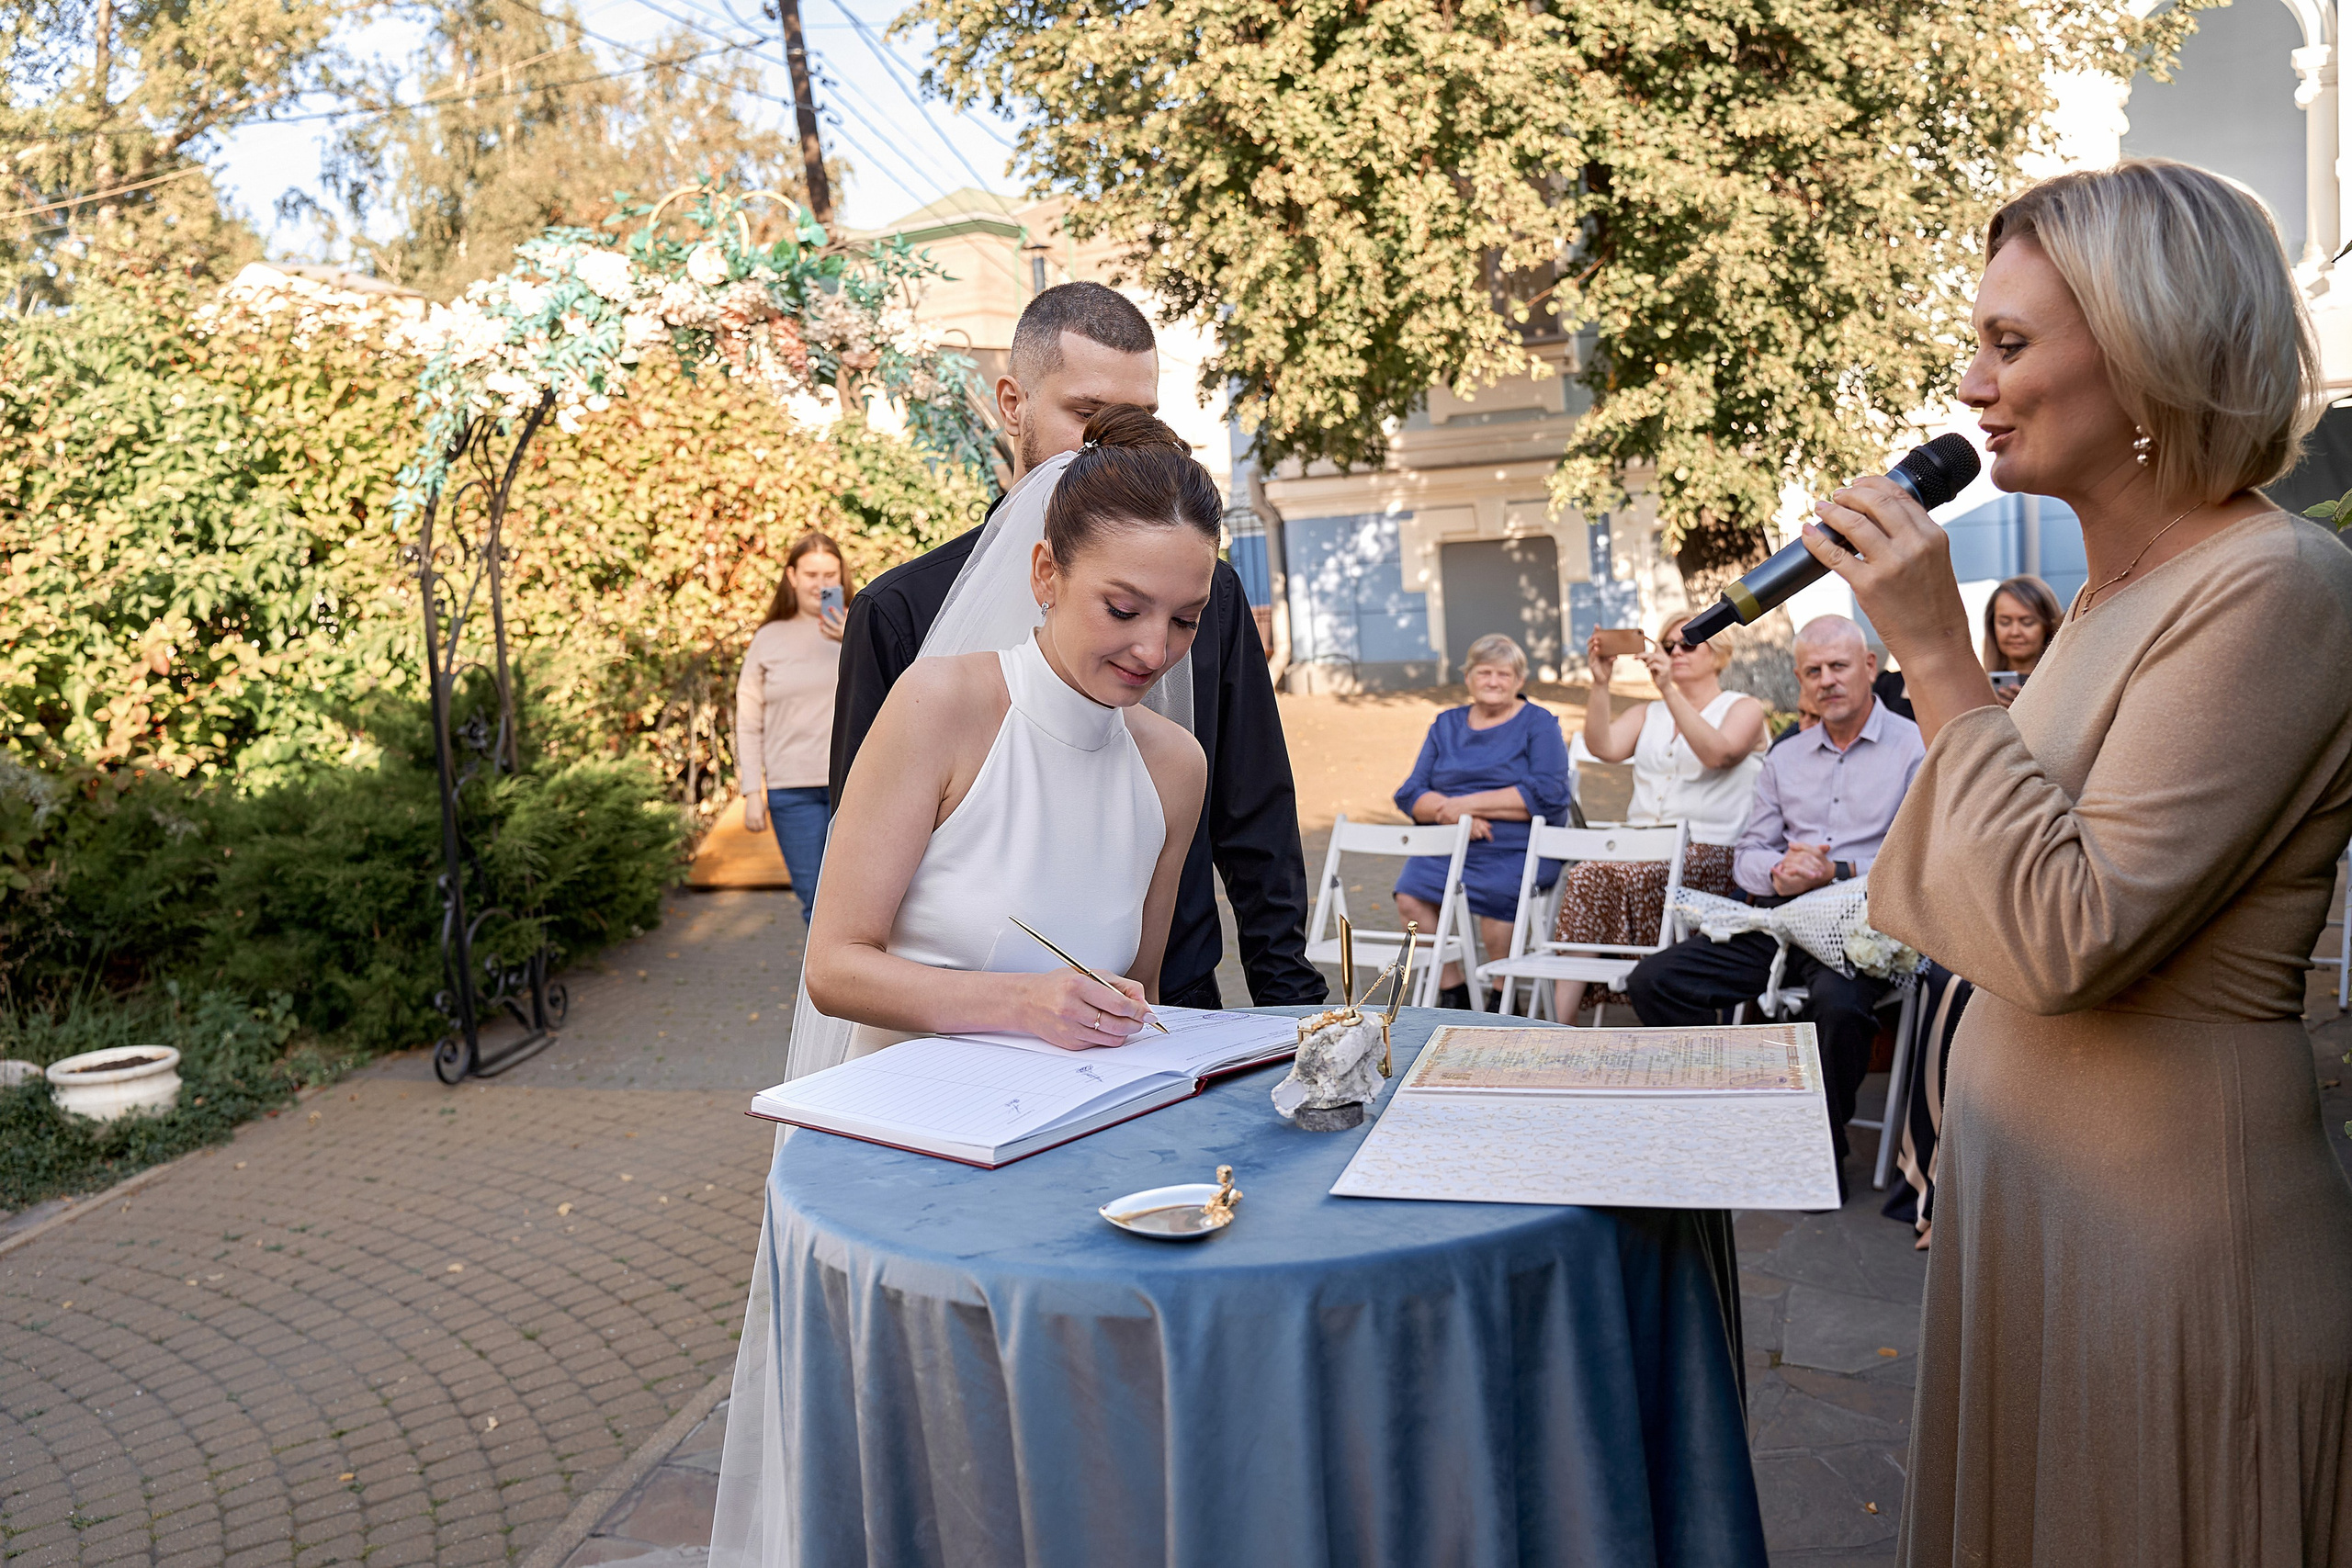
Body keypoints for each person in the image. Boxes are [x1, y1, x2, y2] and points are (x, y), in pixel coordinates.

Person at [1798, 159, 2352, 1565]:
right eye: (1974, 340)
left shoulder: (2277, 585)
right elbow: (1980, 889)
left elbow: (2063, 933)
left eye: (2012, 343)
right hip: (2032, 1213)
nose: (1969, 386)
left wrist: (1934, 651)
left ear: (2155, 352)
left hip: (2164, 1233)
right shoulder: (2114, 595)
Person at [831, 281, 1322, 1011]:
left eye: (1140, 419)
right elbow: (856, 904)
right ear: (1013, 404)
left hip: (1158, 1011)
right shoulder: (902, 614)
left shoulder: (1202, 594)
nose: (1152, 649)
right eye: (1088, 416)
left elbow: (1257, 816)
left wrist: (1293, 1012)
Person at [797, 404, 1211, 1054]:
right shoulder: (941, 706)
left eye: (1186, 619)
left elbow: (1139, 991)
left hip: (1075, 1136)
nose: (1155, 651)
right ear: (1046, 572)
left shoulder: (1176, 768)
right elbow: (833, 967)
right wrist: (1024, 1003)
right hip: (914, 1133)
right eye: (1124, 609)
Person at [1624, 615, 1924, 1180]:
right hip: (1783, 920)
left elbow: (1922, 855)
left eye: (1838, 666)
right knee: (1653, 981)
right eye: (1813, 671)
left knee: (1838, 1007)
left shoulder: (1913, 747)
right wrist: (1780, 872)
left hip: (1862, 928)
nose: (1826, 680)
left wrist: (1836, 868)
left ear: (1868, 667)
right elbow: (1750, 853)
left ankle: (1817, 1146)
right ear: (1799, 680)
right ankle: (1726, 1112)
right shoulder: (1787, 757)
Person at [1552, 613, 1766, 1021]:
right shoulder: (1649, 713)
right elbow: (1604, 747)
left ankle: (1651, 990)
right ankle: (1561, 1026)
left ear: (1718, 655)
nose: (1675, 653)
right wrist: (1600, 683)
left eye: (1688, 644)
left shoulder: (1743, 707)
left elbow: (1718, 754)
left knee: (1629, 875)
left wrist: (1669, 689)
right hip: (1642, 847)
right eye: (1668, 645)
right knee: (1584, 874)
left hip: (1713, 850)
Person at [1390, 634, 1570, 1010]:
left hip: (1518, 846)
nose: (1493, 681)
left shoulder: (1539, 724)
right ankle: (1454, 989)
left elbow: (1550, 794)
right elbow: (1409, 793)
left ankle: (1502, 995)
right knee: (1410, 894)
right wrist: (1450, 814)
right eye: (1484, 672)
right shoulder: (1446, 724)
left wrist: (1465, 806)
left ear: (1519, 680)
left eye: (1503, 674)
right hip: (1452, 841)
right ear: (1468, 677)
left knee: (1500, 897)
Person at [735, 532, 849, 923]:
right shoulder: (768, 639)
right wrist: (752, 791)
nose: (821, 583)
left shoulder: (862, 628)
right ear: (792, 576)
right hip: (791, 790)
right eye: (811, 573)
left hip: (853, 784)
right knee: (813, 903)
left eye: (829, 574)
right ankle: (824, 985)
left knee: (855, 901)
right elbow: (748, 720)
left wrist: (851, 640)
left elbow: (895, 694)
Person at [1980, 571, 2061, 707]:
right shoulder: (1978, 688)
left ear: (2047, 625)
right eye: (2005, 622)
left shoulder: (2065, 685)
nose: (2015, 632)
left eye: (2027, 622)